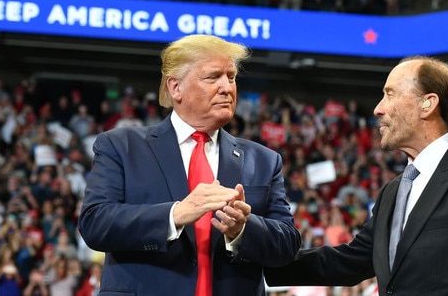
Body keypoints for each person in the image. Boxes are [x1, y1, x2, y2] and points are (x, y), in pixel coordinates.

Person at [265, 56, 448, 294]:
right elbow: (350, 261)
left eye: (389, 94)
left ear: (428, 103)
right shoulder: (393, 191)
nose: (377, 109)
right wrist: (257, 262)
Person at [78, 34, 301, 295]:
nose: (227, 88)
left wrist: (243, 229)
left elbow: (288, 243)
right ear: (176, 88)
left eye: (231, 77)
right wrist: (175, 214)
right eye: (212, 77)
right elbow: (95, 224)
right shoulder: (121, 146)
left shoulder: (264, 159)